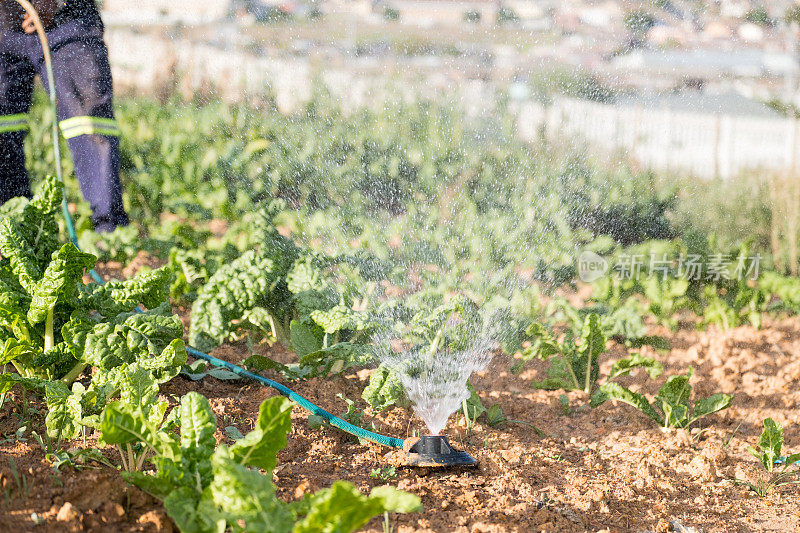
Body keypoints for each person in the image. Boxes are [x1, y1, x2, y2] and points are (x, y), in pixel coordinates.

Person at [0, 0, 128, 232]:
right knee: (3, 126)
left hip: (68, 19)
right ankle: (14, 229)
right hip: (4, 24)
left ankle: (110, 234)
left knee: (89, 123)